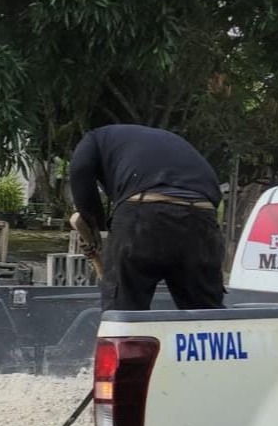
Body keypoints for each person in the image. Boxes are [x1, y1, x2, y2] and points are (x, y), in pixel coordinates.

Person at [69, 124, 226, 311]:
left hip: (142, 215)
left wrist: (92, 222)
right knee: (205, 314)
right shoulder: (167, 141)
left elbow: (79, 169)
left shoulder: (93, 138)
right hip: (202, 216)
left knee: (124, 311)